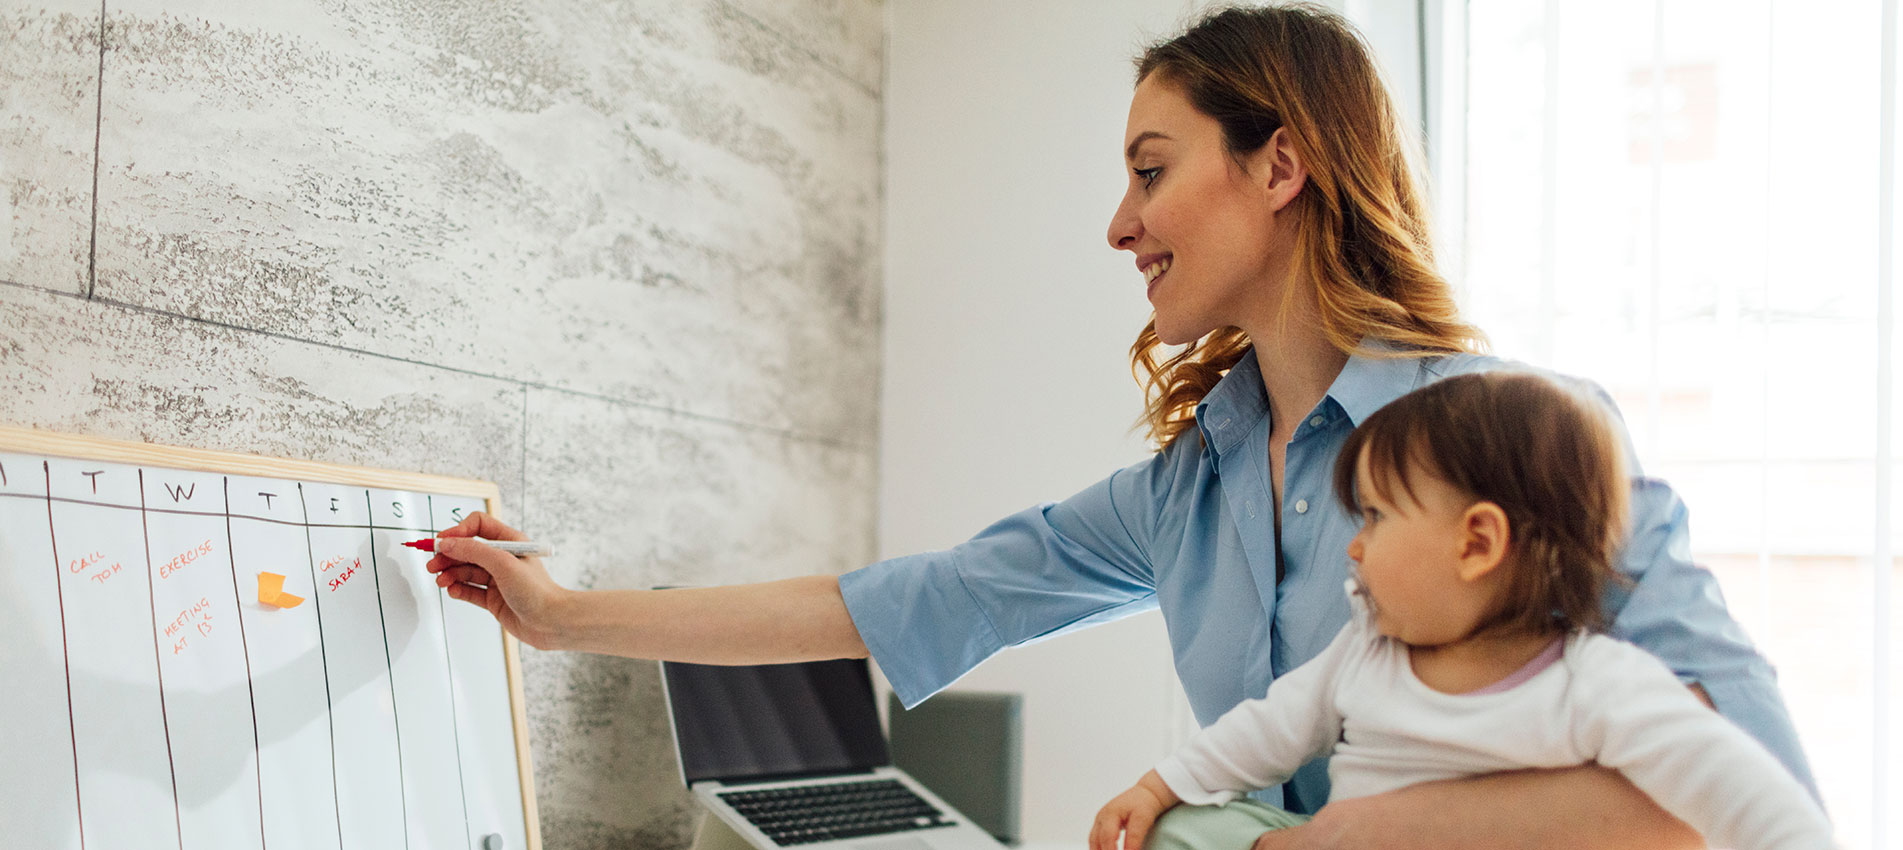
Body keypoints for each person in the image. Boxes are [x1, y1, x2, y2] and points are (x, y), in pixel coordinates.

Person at [424, 4, 1819, 847]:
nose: (1118, 223)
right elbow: (904, 600)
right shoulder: (1186, 491)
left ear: (1279, 165)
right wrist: (562, 618)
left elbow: (1742, 791)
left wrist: (1346, 836)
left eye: (1151, 170)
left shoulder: (1526, 447)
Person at [1088, 372, 1836, 850]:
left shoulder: (1597, 683)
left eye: (1375, 517)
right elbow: (1269, 728)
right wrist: (1161, 786)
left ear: (1476, 543)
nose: (1353, 547)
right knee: (1184, 829)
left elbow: (1747, 793)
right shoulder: (1367, 650)